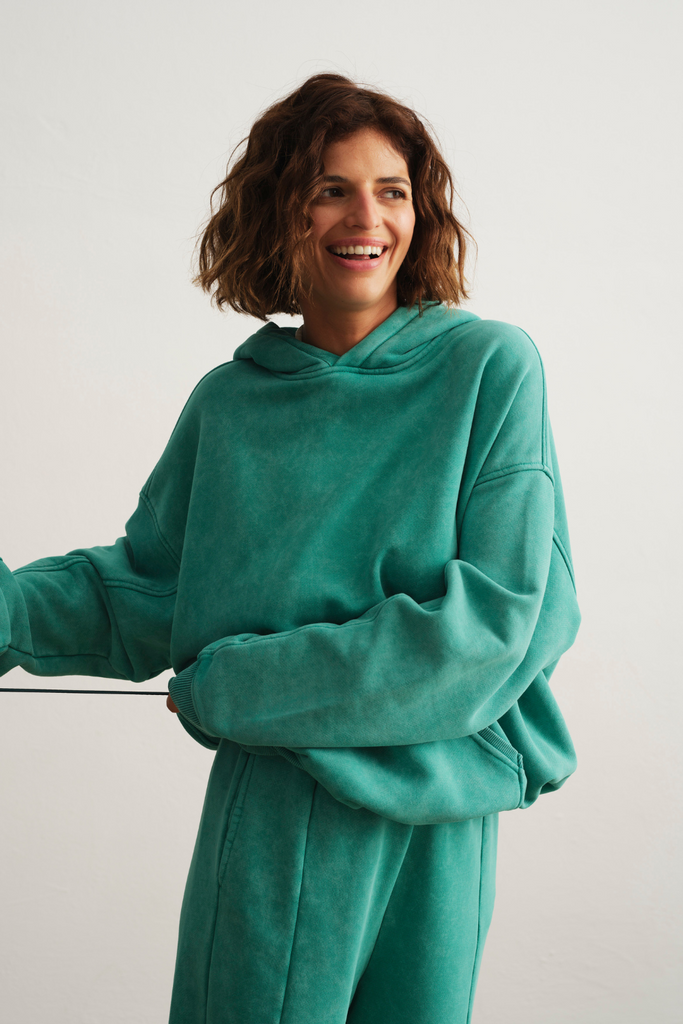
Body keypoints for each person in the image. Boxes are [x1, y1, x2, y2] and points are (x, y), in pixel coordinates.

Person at [0, 73, 581, 1023]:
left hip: (442, 812)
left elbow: (500, 622)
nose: (367, 218)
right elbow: (148, 590)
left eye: (391, 191)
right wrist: (8, 612)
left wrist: (239, 686)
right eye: (330, 189)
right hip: (277, 808)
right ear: (281, 211)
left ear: (420, 213)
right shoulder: (231, 404)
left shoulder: (487, 370)